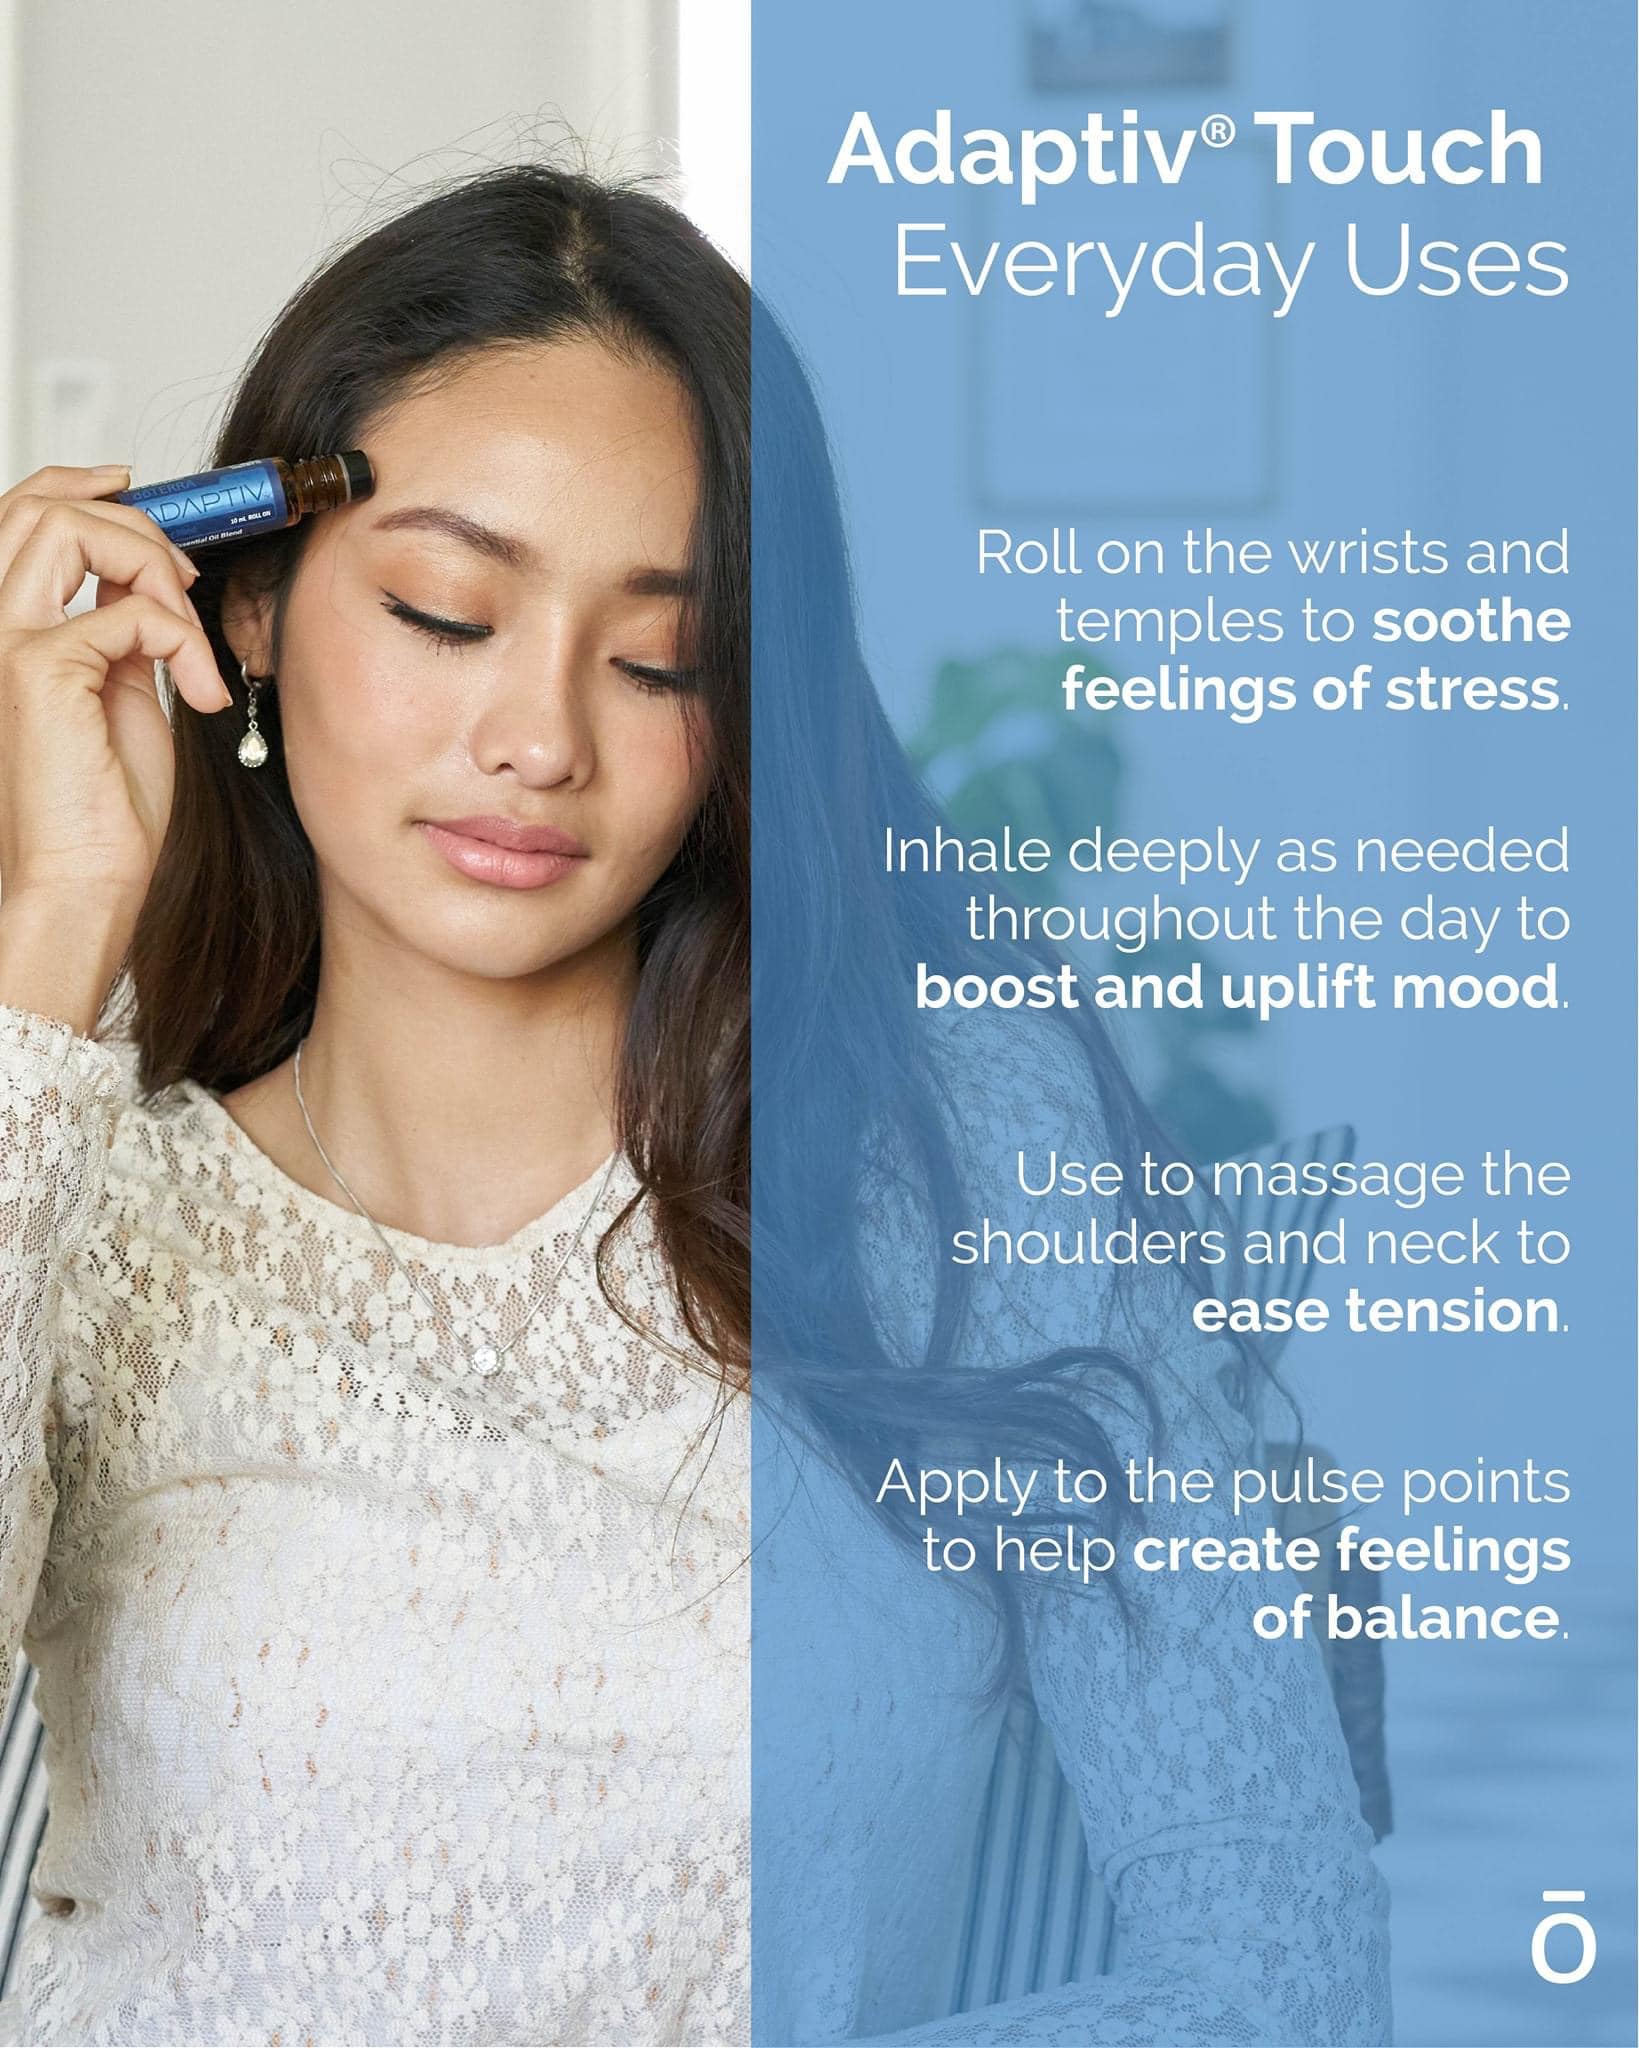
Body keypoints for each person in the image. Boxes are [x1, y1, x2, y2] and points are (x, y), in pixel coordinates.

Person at [0, 163, 1389, 2046]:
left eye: (660, 658)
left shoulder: (956, 1172)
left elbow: (1278, 1965)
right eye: (441, 612)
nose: (543, 738)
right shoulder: (73, 1192)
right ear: (240, 608)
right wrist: (54, 934)